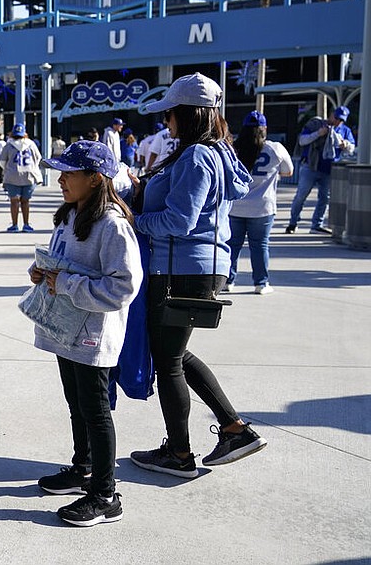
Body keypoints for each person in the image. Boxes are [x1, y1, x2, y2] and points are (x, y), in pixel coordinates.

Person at [129, 73, 266, 478]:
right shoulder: (217, 153)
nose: (166, 122)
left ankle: (180, 454)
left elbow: (179, 220)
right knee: (176, 354)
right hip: (196, 268)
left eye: (170, 114)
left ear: (185, 115)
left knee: (168, 360)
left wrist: (132, 218)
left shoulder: (195, 157)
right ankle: (233, 428)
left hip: (179, 270)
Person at [29, 140, 141, 527]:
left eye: (69, 172)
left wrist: (69, 284)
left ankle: (105, 494)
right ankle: (84, 467)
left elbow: (123, 286)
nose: (60, 178)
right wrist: (42, 272)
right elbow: (65, 263)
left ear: (95, 179)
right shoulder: (68, 215)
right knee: (76, 403)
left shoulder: (112, 225)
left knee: (95, 411)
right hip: (65, 329)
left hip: (93, 334)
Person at [227, 112, 293, 295]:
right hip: (262, 207)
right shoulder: (275, 148)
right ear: (264, 129)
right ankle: (261, 283)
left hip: (236, 206)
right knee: (260, 246)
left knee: (232, 245)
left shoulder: (233, 149)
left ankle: (228, 281)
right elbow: (289, 171)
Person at [286, 106, 356, 234]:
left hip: (330, 169)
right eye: (336, 118)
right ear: (331, 115)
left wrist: (345, 144)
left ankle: (316, 225)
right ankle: (293, 222)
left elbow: (352, 148)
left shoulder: (345, 130)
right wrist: (318, 133)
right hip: (310, 166)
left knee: (324, 198)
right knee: (301, 196)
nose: (338, 122)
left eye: (341, 120)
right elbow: (302, 140)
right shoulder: (316, 125)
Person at [0, 123, 42, 232]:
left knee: (14, 201)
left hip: (12, 176)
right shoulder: (31, 144)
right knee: (25, 201)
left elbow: (2, 161)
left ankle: (14, 225)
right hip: (28, 176)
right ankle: (26, 224)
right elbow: (38, 158)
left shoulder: (8, 145)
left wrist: (9, 169)